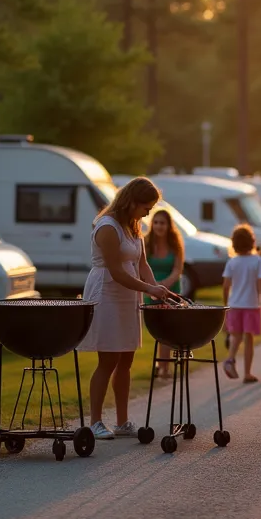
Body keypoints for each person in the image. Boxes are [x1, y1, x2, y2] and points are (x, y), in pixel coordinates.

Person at [81, 177, 180, 441]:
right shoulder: (107, 227)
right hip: (106, 292)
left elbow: (142, 265)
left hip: (128, 295)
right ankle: (95, 422)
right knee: (108, 360)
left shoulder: (133, 226)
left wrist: (157, 287)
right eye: (146, 207)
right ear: (132, 202)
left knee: (126, 359)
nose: (148, 213)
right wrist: (148, 289)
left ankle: (122, 421)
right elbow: (116, 272)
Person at [222, 225, 261, 383]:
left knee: (236, 336)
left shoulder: (232, 262)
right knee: (249, 339)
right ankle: (247, 373)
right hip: (251, 305)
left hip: (234, 305)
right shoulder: (258, 260)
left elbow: (226, 286)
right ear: (252, 242)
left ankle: (230, 358)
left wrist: (226, 305)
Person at [144, 209, 184, 380]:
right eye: (156, 222)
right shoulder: (146, 243)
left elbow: (177, 269)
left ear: (168, 226)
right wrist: (153, 287)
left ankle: (164, 368)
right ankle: (161, 365)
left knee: (167, 331)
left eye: (162, 223)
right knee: (158, 331)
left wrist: (164, 286)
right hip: (151, 291)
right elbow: (141, 267)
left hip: (171, 292)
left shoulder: (175, 244)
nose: (159, 226)